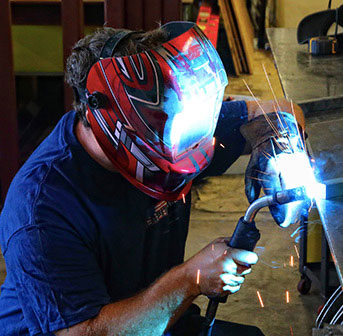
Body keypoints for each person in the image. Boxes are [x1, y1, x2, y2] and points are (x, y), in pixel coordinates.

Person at [0, 22, 305, 335]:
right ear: (114, 118)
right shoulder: (40, 207)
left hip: (156, 320)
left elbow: (285, 111)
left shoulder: (170, 123)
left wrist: (276, 141)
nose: (187, 145)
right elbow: (84, 333)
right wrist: (189, 280)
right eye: (171, 133)